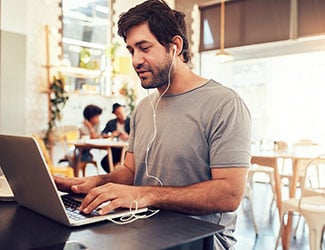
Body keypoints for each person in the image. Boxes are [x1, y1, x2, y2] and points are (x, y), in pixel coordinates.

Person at [54, 1, 251, 249]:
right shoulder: (144, 109)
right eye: (131, 51)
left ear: (175, 46)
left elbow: (229, 194)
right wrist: (95, 183)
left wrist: (145, 195)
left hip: (203, 238)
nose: (136, 60)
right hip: (143, 226)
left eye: (144, 48)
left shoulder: (224, 104)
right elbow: (129, 172)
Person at [100, 103, 130, 172]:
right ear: (115, 114)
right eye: (119, 113)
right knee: (105, 162)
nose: (122, 115)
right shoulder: (111, 123)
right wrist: (112, 135)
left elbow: (138, 136)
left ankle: (118, 177)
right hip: (115, 150)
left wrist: (128, 136)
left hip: (128, 151)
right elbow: (102, 134)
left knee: (125, 164)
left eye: (123, 112)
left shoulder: (131, 122)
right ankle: (114, 177)